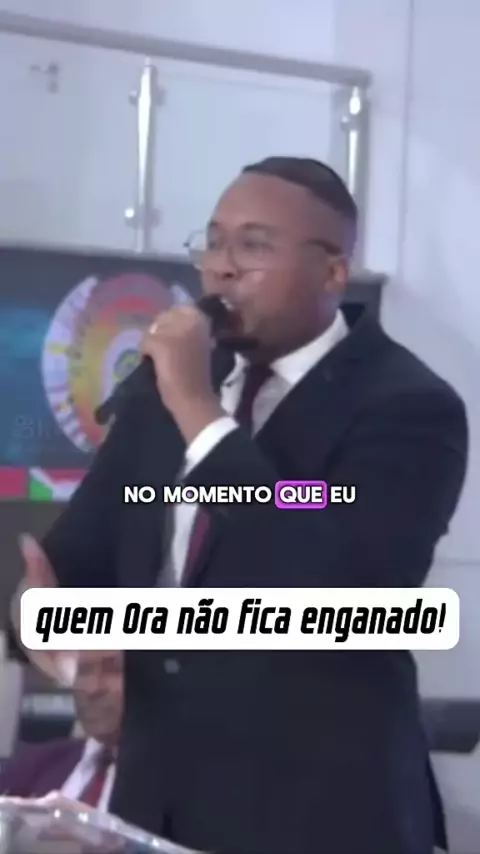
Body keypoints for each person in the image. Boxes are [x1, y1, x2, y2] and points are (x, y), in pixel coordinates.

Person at [14, 157, 467, 853]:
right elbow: (76, 557)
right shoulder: (161, 395)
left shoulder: (406, 406)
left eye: (253, 246)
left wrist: (200, 412)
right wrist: (54, 631)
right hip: (155, 809)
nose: (222, 267)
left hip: (318, 814)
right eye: (215, 242)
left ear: (332, 273)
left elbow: (338, 582)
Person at [0, 650, 123, 811]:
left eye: (113, 670)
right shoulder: (32, 766)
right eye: (84, 671)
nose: (91, 688)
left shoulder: (156, 779)